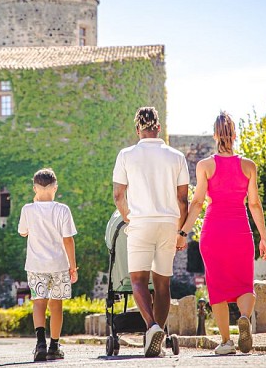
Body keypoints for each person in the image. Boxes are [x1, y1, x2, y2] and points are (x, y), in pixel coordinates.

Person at [177, 112, 266, 355]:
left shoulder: (205, 166)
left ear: (215, 135)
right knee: (244, 284)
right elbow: (255, 205)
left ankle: (227, 342)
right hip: (240, 231)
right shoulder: (249, 166)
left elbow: (197, 203)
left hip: (214, 231)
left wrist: (183, 232)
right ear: (235, 134)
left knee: (216, 286)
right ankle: (244, 318)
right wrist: (263, 237)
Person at [112, 106, 190, 358]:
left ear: (138, 129)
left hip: (140, 223)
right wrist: (181, 231)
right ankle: (159, 336)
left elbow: (118, 195)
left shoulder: (126, 155)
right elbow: (183, 200)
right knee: (163, 283)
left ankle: (152, 327)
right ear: (158, 128)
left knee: (137, 280)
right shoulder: (176, 156)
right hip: (168, 223)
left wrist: (128, 218)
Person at [18, 168, 78, 362]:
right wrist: (73, 267)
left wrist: (35, 203)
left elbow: (23, 232)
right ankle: (54, 346)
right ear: (55, 187)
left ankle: (40, 344)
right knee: (56, 304)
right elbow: (68, 240)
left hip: (36, 265)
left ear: (35, 187)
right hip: (59, 264)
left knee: (38, 302)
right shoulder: (63, 209)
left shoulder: (28, 209)